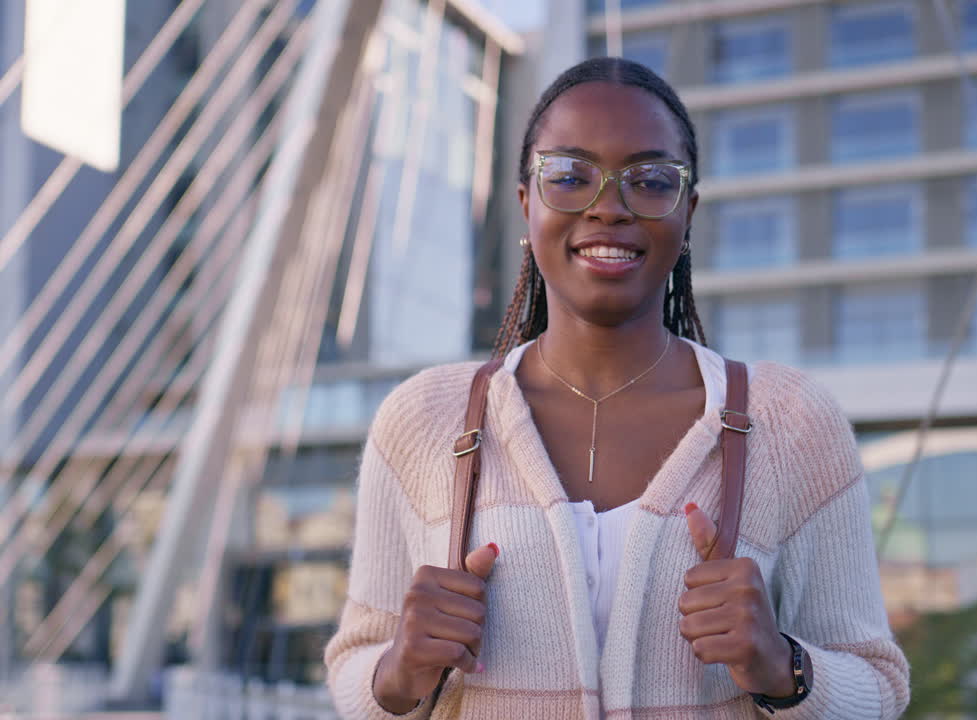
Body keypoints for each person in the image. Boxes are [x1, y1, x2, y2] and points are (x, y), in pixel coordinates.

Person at [324, 57, 909, 719]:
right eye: (570, 176)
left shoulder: (792, 422)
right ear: (527, 202)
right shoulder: (423, 420)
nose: (608, 207)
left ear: (688, 212)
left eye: (651, 180)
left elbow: (879, 690)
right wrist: (400, 668)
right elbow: (355, 671)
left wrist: (781, 666)